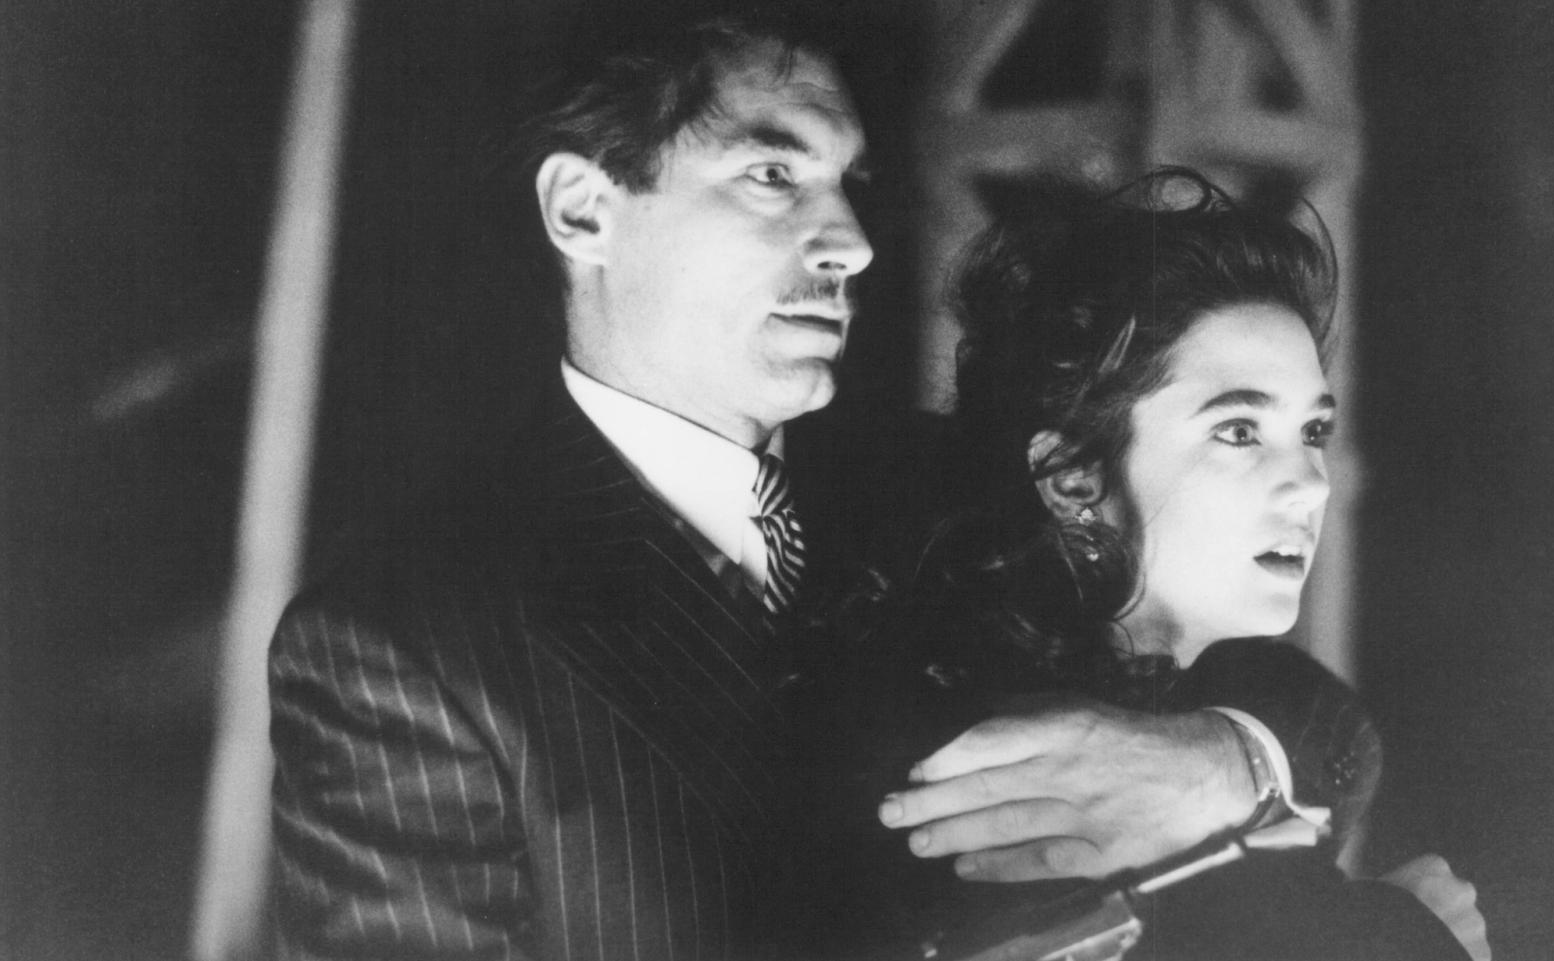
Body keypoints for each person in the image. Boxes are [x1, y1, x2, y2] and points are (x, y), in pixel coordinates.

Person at [266, 7, 1427, 959]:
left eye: (846, 182)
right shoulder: (408, 642)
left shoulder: (955, 480)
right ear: (583, 208)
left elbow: (1300, 699)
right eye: (773, 173)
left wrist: (1227, 759)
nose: (850, 242)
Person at [815, 170, 1486, 959]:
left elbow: (1326, 722)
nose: (1310, 484)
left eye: (1313, 431)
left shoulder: (1219, 699)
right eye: (1239, 430)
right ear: (1075, 479)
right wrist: (1414, 929)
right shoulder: (1021, 756)